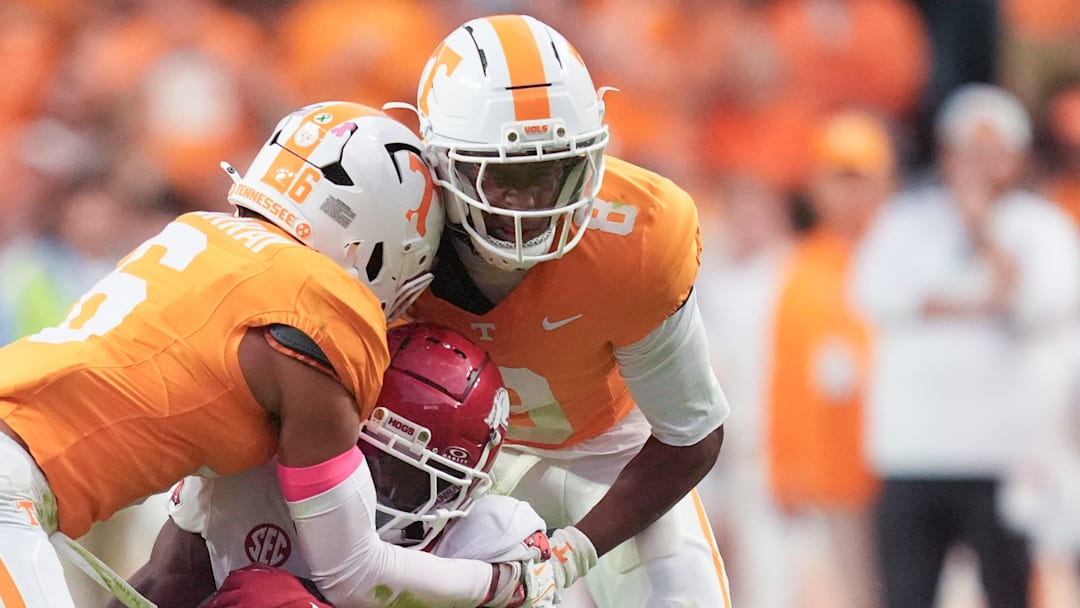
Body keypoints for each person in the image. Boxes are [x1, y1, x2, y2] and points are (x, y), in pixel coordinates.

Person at [0, 101, 550, 607]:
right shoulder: (325, 311)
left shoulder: (199, 235)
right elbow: (352, 573)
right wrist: (502, 581)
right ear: (379, 241)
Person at [400, 14, 733, 607]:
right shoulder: (388, 222)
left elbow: (692, 436)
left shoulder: (639, 239)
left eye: (549, 171)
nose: (530, 203)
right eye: (504, 177)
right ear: (439, 162)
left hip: (609, 446)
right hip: (431, 456)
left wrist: (575, 549)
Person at [111, 322, 557, 608]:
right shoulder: (251, 480)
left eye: (407, 479)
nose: (373, 490)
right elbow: (163, 584)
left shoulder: (495, 539)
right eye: (365, 460)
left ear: (463, 487)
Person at [850, 84, 1080, 608]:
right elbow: (874, 294)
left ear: (1017, 158)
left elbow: (1044, 305)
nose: (976, 165)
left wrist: (981, 234)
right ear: (947, 153)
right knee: (906, 593)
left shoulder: (1044, 227)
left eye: (991, 151)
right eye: (966, 150)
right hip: (912, 449)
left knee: (1008, 592)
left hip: (1004, 453)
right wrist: (989, 301)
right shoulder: (905, 220)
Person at [765, 111, 892, 608]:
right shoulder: (798, 268)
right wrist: (783, 465)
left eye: (860, 179)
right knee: (855, 592)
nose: (850, 194)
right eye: (839, 179)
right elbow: (783, 375)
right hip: (834, 469)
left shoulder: (905, 250)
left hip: (903, 462)